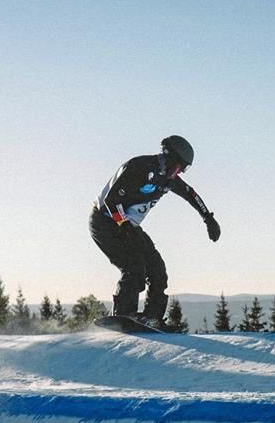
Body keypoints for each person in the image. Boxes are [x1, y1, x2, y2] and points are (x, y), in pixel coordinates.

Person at [90, 135, 221, 329]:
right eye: (179, 167)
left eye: (183, 170)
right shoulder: (138, 168)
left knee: (157, 267)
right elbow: (111, 201)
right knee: (134, 265)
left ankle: (153, 316)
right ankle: (124, 312)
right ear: (168, 158)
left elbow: (191, 194)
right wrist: (123, 225)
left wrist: (208, 219)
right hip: (105, 222)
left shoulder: (168, 178)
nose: (179, 173)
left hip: (129, 225)